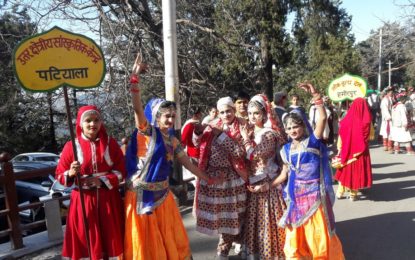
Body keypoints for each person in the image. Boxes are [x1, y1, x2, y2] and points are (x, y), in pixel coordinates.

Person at [124, 54, 222, 259]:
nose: (170, 119)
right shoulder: (146, 132)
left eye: (173, 116)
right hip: (143, 199)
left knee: (171, 242)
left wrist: (208, 179)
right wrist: (134, 78)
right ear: (156, 117)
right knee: (148, 246)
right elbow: (137, 107)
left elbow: (189, 164)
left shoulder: (172, 141)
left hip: (163, 197)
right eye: (166, 116)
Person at [271, 82, 344, 259]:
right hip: (295, 198)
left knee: (317, 237)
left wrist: (316, 96)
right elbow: (285, 173)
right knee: (295, 240)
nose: (292, 130)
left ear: (303, 125)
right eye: (288, 128)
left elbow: (322, 119)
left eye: (295, 126)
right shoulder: (286, 149)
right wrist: (267, 185)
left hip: (315, 197)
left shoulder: (313, 141)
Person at [55, 105, 125, 260]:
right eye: (88, 121)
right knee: (85, 239)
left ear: (101, 122)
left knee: (110, 238)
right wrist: (71, 173)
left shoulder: (110, 144)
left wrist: (102, 180)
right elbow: (60, 176)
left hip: (108, 200)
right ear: (80, 123)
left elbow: (121, 171)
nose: (93, 124)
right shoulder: (71, 146)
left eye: (96, 120)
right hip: (83, 202)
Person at [194, 96, 249, 259]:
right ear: (218, 113)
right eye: (223, 112)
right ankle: (225, 249)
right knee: (222, 219)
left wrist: (222, 136)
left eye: (229, 111)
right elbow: (199, 146)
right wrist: (197, 132)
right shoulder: (212, 126)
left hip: (234, 178)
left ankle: (229, 249)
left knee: (235, 217)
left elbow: (240, 153)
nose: (226, 115)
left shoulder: (242, 127)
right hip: (214, 179)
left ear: (234, 110)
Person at [240, 94, 286, 259]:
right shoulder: (252, 131)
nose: (253, 116)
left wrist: (245, 139)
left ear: (265, 114)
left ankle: (273, 253)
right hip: (254, 182)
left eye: (256, 113)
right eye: (250, 113)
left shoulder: (268, 134)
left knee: (268, 221)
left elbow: (255, 155)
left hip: (268, 183)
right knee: (256, 222)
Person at [334, 98, 373, 201]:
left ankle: (340, 192)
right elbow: (371, 136)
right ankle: (353, 194)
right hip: (360, 152)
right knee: (356, 173)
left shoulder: (346, 119)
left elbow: (341, 135)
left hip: (346, 150)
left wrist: (339, 148)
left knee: (344, 171)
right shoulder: (367, 121)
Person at [379, 87, 394, 152]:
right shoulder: (385, 99)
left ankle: (388, 145)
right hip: (387, 118)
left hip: (390, 117)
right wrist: (388, 116)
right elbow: (384, 109)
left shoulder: (390, 98)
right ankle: (386, 146)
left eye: (392, 92)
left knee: (388, 132)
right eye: (391, 92)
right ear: (388, 92)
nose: (392, 93)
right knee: (387, 131)